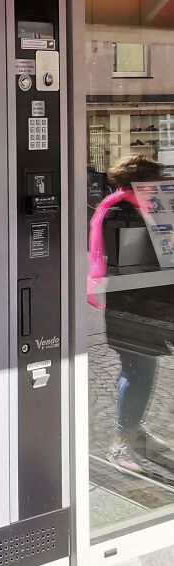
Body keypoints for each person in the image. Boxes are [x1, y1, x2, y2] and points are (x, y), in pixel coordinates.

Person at [88, 153, 172, 474]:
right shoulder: (119, 211)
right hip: (132, 308)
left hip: (154, 305)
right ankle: (121, 441)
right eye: (155, 180)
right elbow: (132, 263)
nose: (160, 185)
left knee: (144, 371)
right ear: (139, 182)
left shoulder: (143, 206)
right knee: (137, 372)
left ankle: (134, 430)